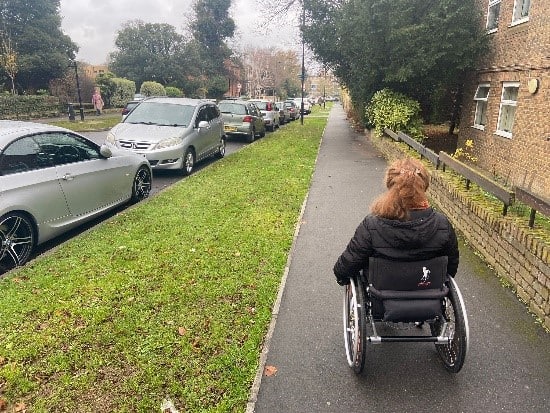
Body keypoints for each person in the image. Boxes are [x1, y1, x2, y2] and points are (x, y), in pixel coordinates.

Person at [333, 157, 459, 286]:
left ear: (390, 184)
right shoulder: (442, 224)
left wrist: (341, 276)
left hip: (382, 298)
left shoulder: (372, 225)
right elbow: (450, 267)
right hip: (428, 295)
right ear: (424, 186)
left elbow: (349, 263)